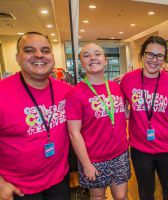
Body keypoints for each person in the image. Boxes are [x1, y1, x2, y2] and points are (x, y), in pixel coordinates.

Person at [0, 32, 71, 200]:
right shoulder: (2, 93)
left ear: (52, 57)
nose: (39, 55)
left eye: (45, 50)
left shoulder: (66, 90)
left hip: (59, 181)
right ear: (18, 57)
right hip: (18, 188)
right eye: (30, 50)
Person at [66, 43, 130, 200]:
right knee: (98, 196)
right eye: (86, 55)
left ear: (106, 61)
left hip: (120, 154)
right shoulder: (75, 93)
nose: (93, 58)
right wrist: (86, 164)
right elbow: (74, 132)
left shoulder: (115, 87)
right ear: (82, 63)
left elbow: (124, 114)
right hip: (94, 157)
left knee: (121, 196)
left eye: (97, 54)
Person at [120, 36, 168, 200]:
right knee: (145, 191)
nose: (154, 60)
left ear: (164, 59)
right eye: (150, 54)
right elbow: (116, 102)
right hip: (140, 149)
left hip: (167, 147)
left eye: (160, 56)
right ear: (142, 55)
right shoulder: (128, 79)